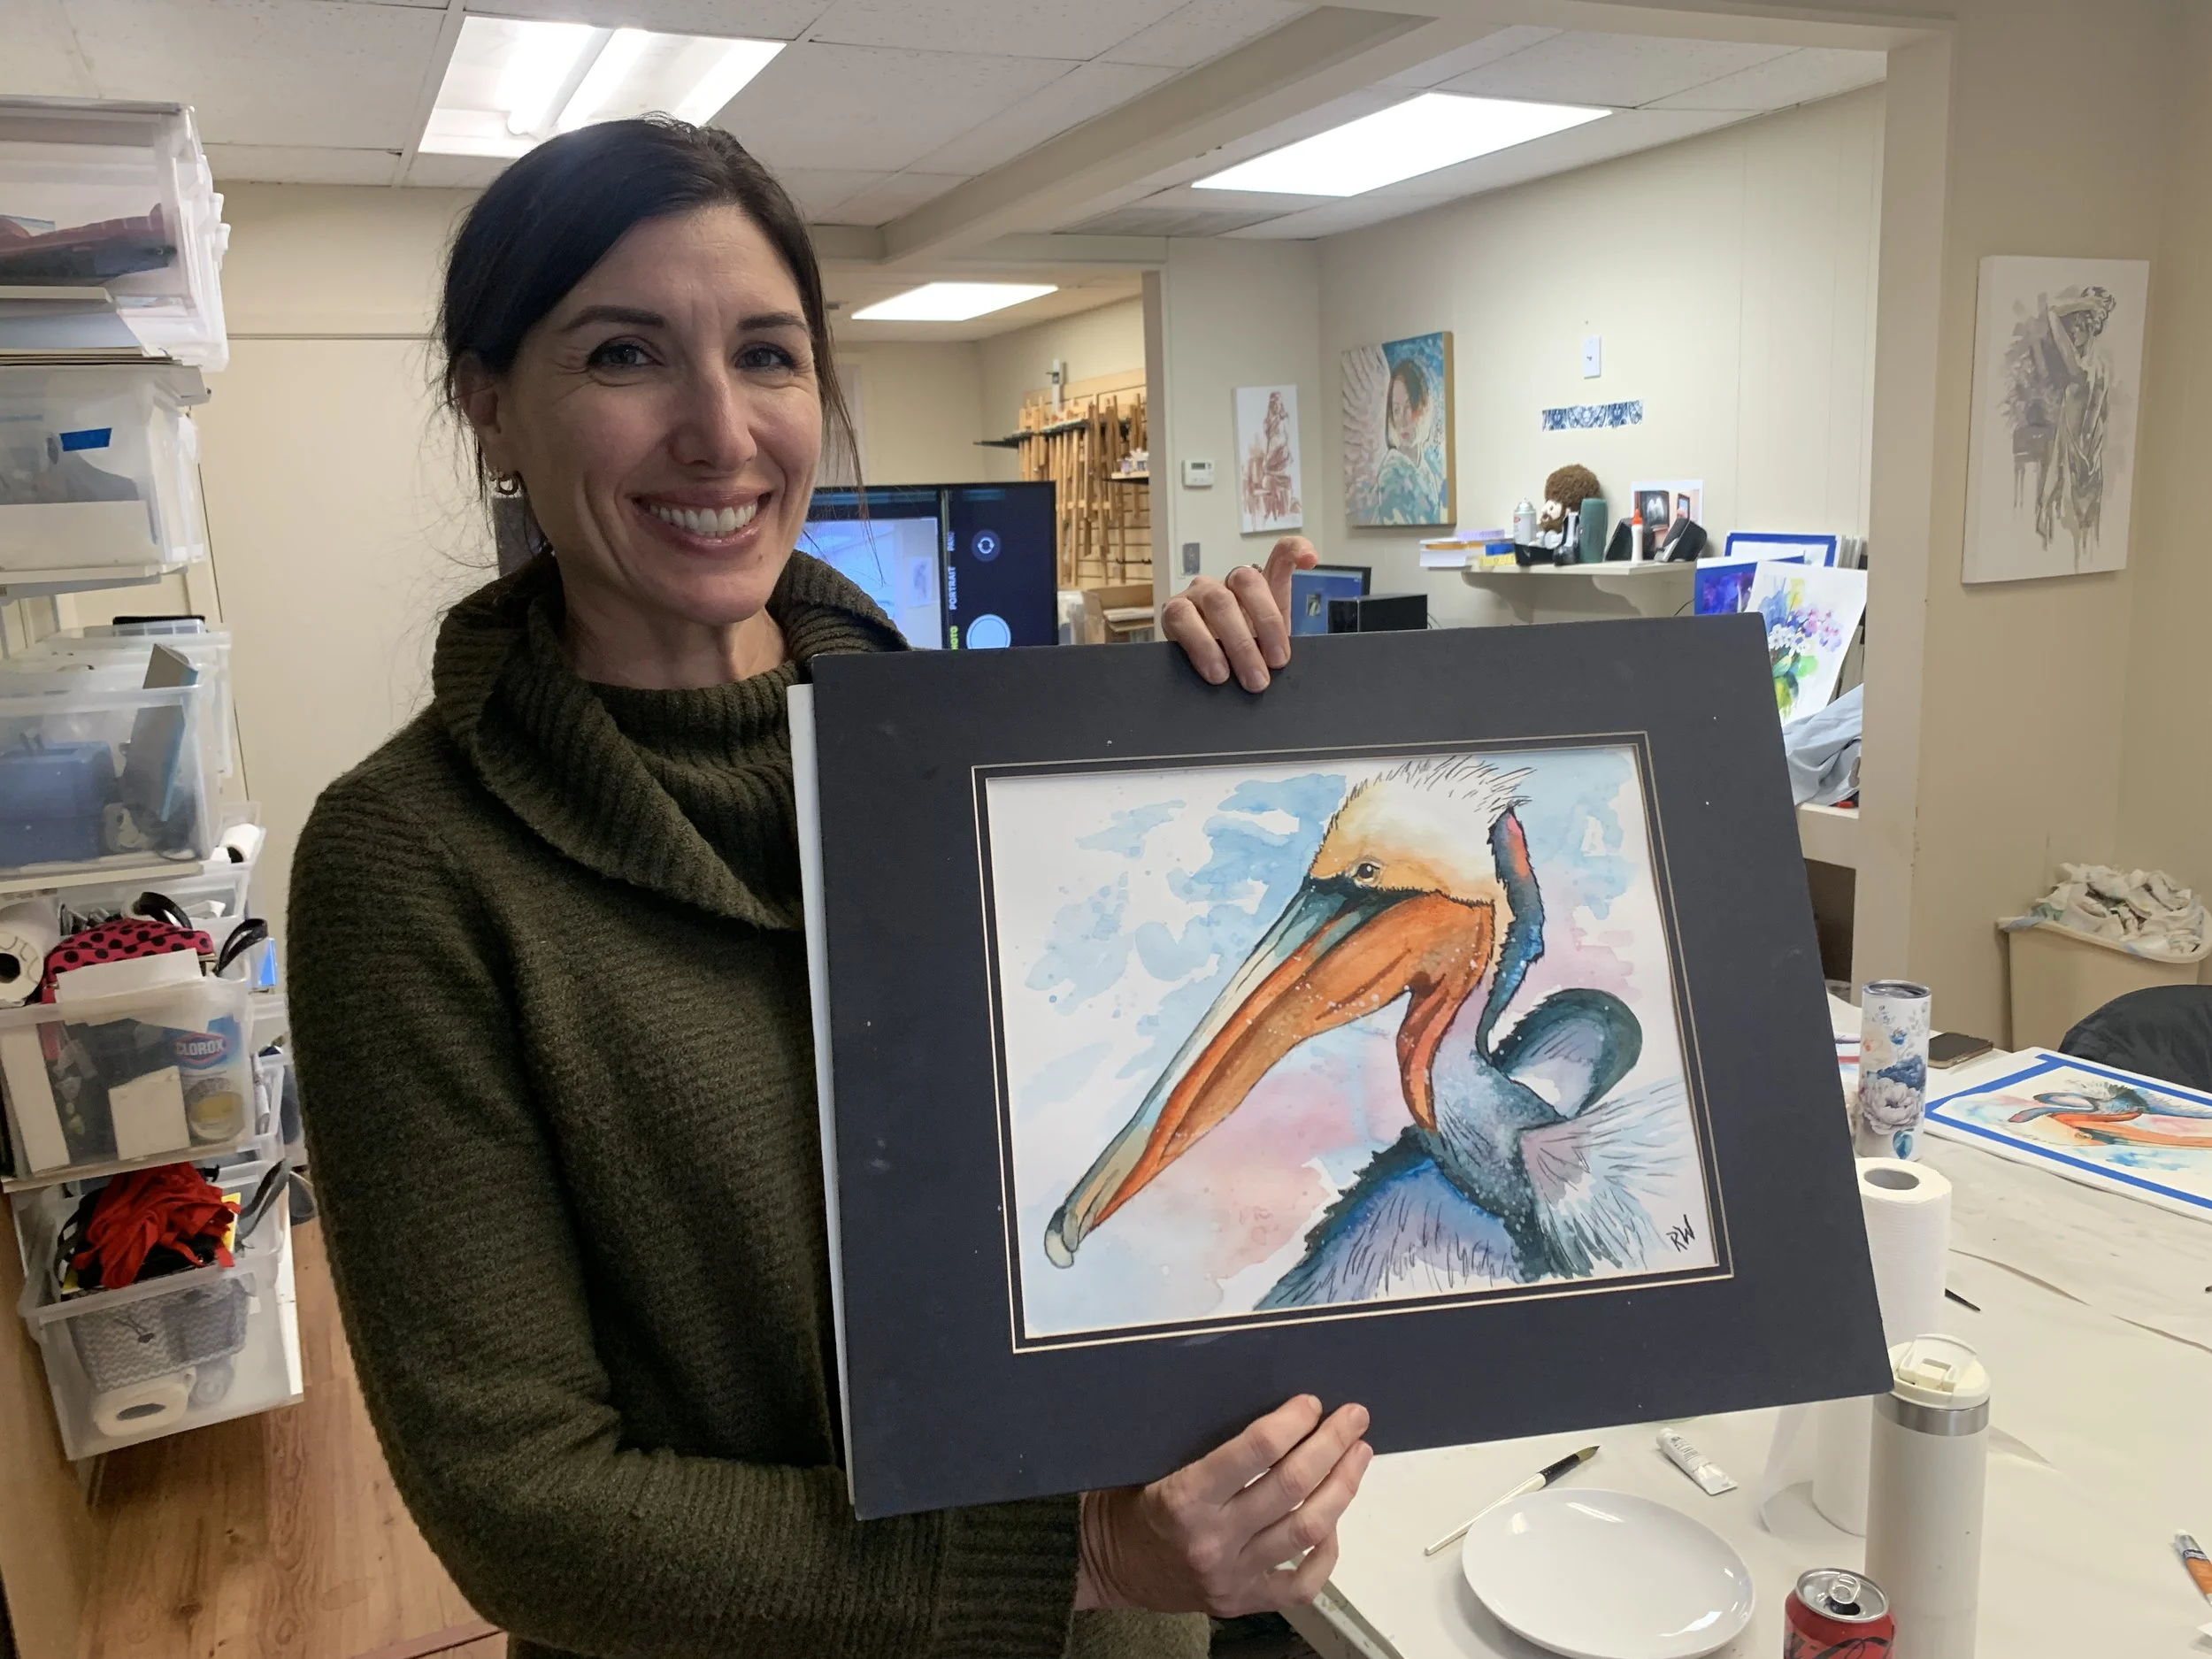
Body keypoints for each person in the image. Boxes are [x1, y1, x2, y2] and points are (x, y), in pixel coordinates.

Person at [287, 117, 1365, 1659]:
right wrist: (1082, 1553)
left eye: (770, 355)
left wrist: (1235, 763)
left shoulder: (991, 774)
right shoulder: (414, 866)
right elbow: (525, 1508)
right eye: (623, 356)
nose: (720, 431)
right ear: (491, 408)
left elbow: (1179, 1150)